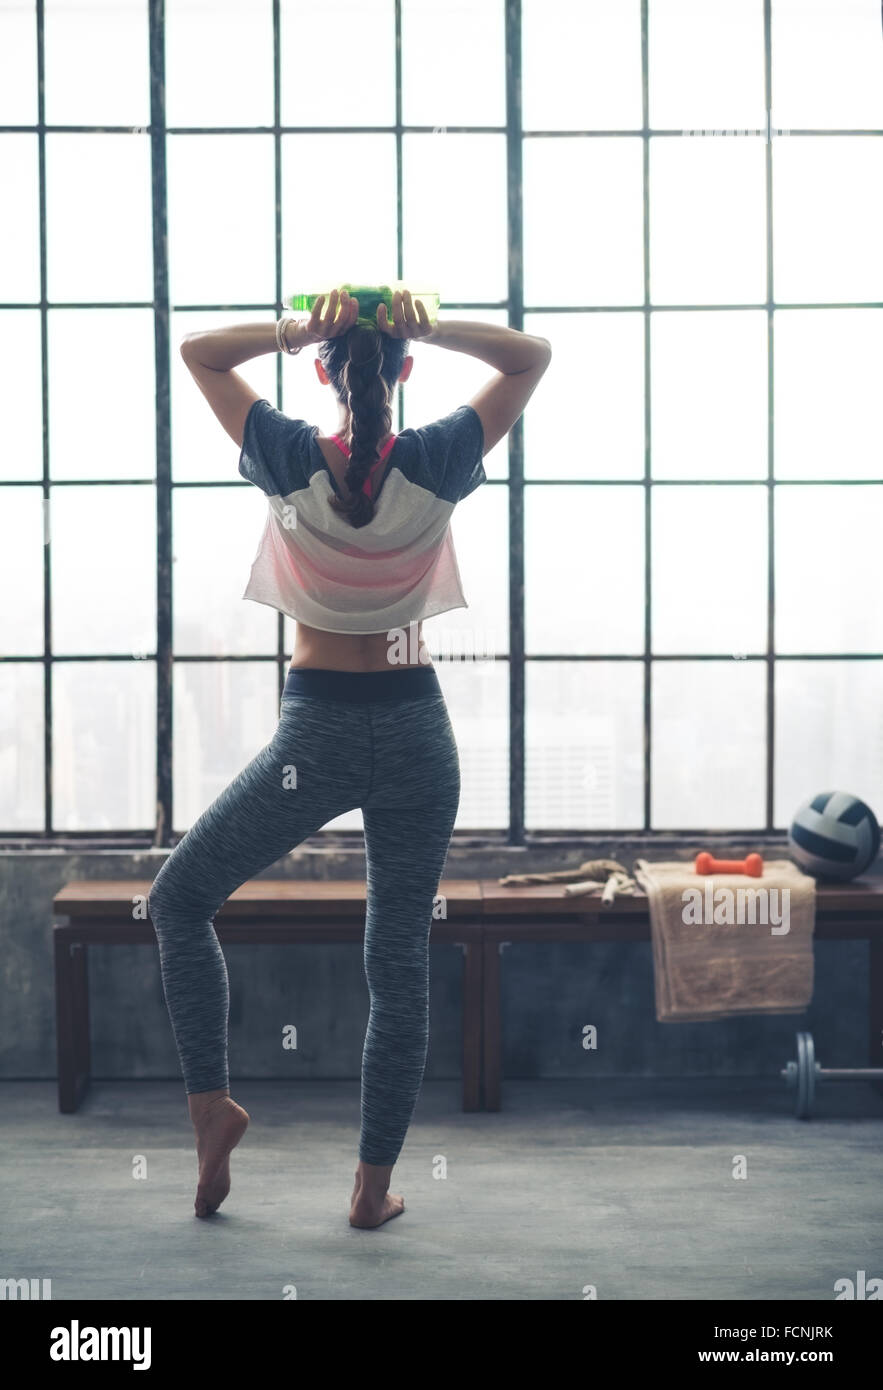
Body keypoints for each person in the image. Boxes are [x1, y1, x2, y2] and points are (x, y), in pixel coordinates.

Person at [147, 288, 551, 1226]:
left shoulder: (288, 455)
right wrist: (428, 323)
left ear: (325, 370)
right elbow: (528, 358)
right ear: (402, 371)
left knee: (178, 899)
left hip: (316, 734)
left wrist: (296, 328)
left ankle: (212, 1109)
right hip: (417, 732)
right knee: (397, 963)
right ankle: (370, 1194)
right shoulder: (440, 456)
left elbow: (200, 352)